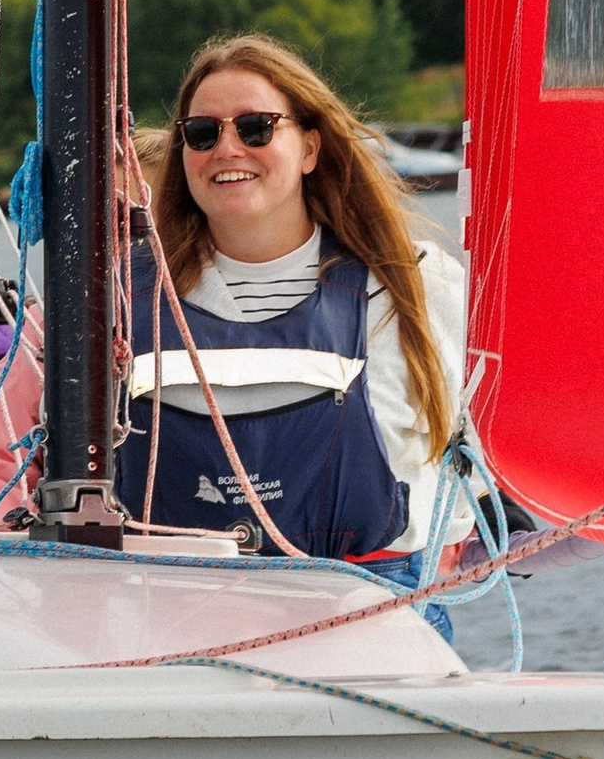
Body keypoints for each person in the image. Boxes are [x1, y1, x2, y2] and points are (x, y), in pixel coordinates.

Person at [117, 32, 467, 564]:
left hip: (370, 611)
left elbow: (485, 446)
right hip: (174, 610)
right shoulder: (118, 297)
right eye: (203, 133)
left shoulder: (412, 283)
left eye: (257, 128)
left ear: (310, 147)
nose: (228, 149)